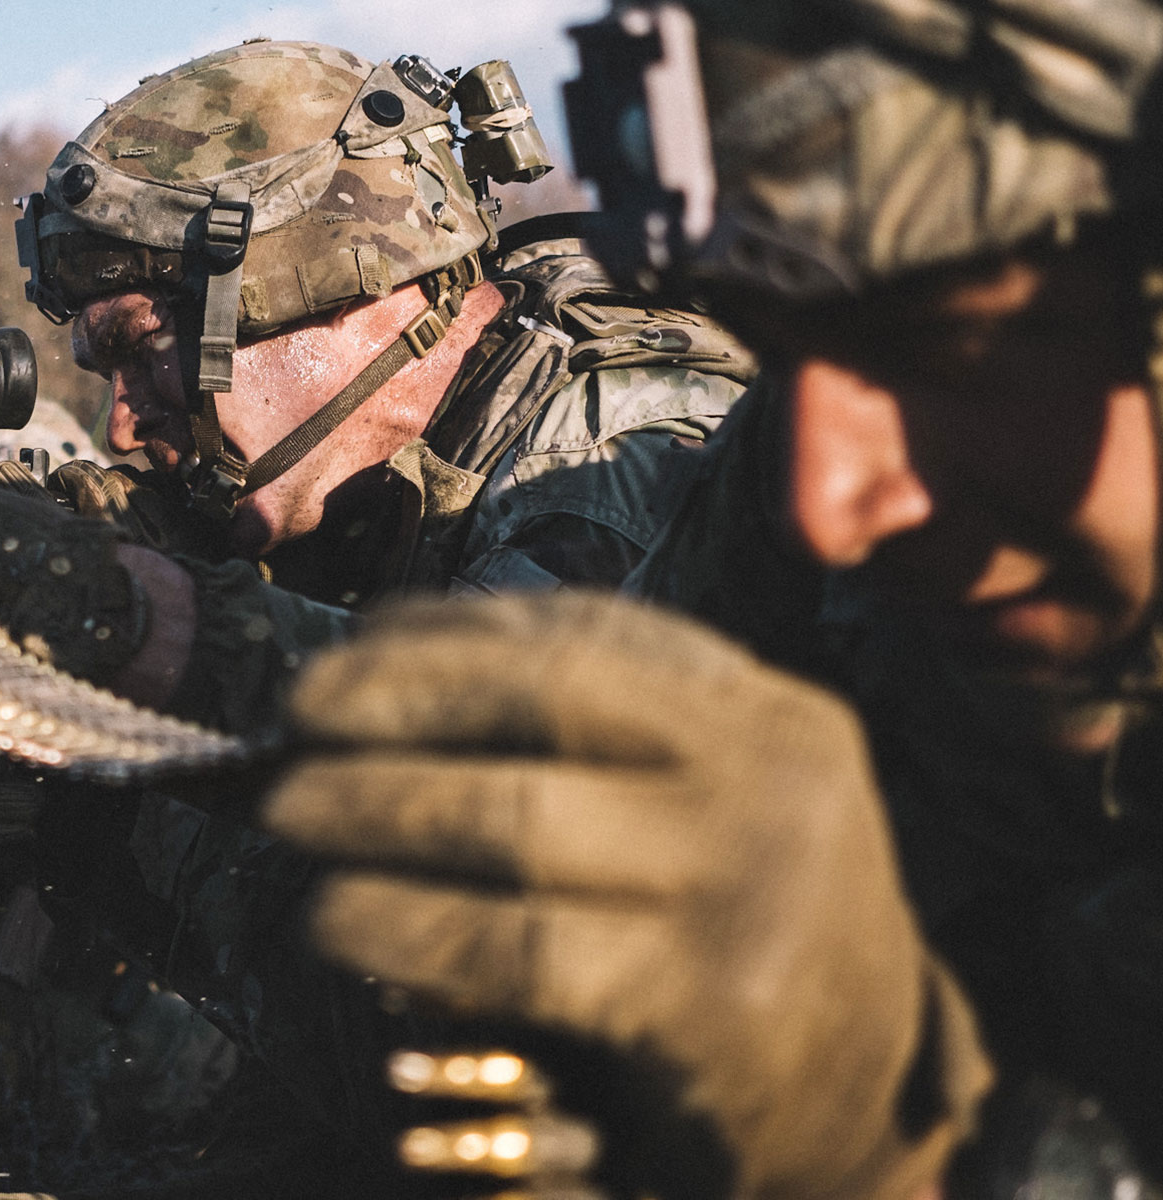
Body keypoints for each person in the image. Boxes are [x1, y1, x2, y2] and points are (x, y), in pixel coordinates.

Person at [0, 36, 752, 1176]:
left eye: (142, 350)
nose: (121, 422)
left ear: (330, 284)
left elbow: (460, 959)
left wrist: (100, 762)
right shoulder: (336, 493)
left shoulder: (612, 476)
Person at [259, 2, 1163, 1197]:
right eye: (777, 347)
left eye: (953, 347)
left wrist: (889, 1145)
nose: (826, 501)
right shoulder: (788, 490)